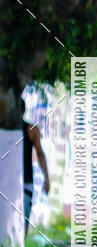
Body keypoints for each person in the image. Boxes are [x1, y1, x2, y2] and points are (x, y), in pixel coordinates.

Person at [21, 99, 50, 236]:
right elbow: (40, 154)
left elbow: (40, 154)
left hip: (22, 181)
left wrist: (47, 178)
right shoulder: (32, 130)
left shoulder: (31, 130)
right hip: (25, 181)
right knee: (24, 218)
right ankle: (21, 246)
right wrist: (47, 178)